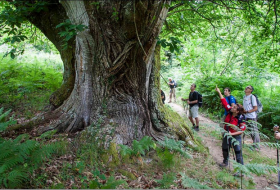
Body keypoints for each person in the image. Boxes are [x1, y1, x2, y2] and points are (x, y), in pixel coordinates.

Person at [215, 86, 246, 176]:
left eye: (235, 107)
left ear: (237, 111)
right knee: (225, 148)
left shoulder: (241, 118)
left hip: (235, 136)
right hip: (227, 134)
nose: (232, 107)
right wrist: (219, 92)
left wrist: (232, 133)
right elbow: (224, 101)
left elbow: (241, 130)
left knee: (238, 152)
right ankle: (225, 162)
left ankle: (241, 171)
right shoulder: (229, 111)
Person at [243, 85, 260, 151]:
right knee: (244, 129)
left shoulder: (252, 97)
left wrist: (247, 111)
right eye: (246, 87)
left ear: (251, 90)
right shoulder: (244, 97)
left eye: (248, 88)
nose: (246, 88)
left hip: (251, 116)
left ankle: (256, 146)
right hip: (245, 116)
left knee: (254, 131)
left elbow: (255, 108)